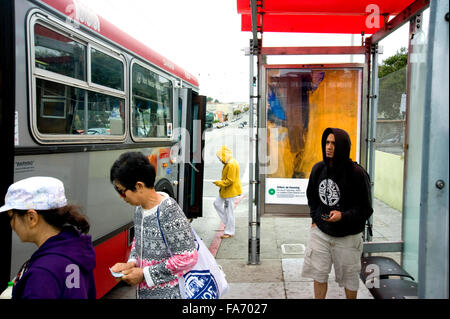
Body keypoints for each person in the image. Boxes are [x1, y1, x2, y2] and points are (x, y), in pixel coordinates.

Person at [109, 151, 198, 299]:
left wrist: (144, 274)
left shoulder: (168, 210)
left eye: (122, 191)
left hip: (171, 294)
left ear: (139, 186)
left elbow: (187, 257)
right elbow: (138, 242)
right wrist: (131, 264)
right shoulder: (139, 209)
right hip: (145, 293)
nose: (121, 197)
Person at [301, 128, 373, 299]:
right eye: (327, 142)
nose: (329, 147)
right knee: (318, 274)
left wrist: (343, 216)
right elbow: (311, 195)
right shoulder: (318, 169)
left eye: (334, 143)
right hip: (321, 234)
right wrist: (315, 218)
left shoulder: (357, 173)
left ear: (343, 146)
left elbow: (365, 209)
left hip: (348, 237)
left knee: (350, 279)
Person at [0, 176, 96, 299]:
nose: (11, 224)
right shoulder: (76, 251)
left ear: (31, 218)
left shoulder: (42, 274)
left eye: (11, 216)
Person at [213, 145, 243, 239]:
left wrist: (218, 183)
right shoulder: (229, 162)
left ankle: (229, 231)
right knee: (217, 204)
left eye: (220, 158)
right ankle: (228, 223)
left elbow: (230, 181)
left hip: (230, 192)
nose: (220, 160)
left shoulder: (231, 165)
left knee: (229, 211)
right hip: (226, 191)